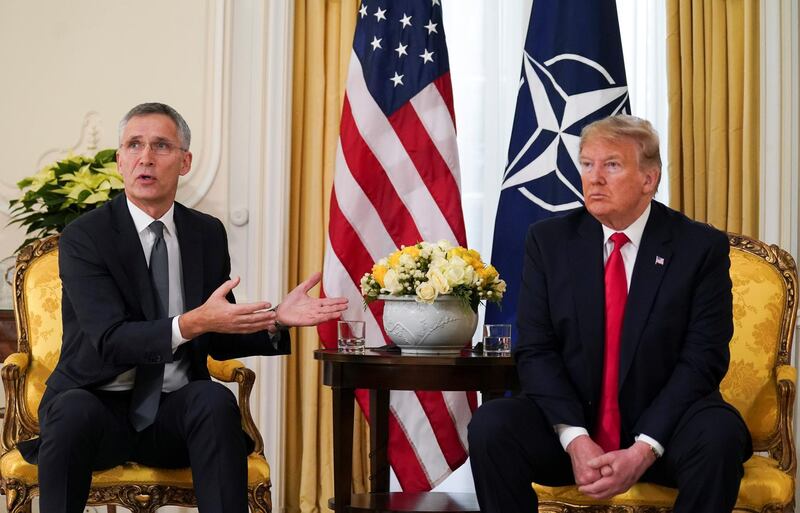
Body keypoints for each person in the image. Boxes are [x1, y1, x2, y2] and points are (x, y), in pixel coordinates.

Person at [18, 102, 349, 513]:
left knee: (214, 401)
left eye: (161, 146)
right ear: (120, 160)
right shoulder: (86, 236)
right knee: (70, 409)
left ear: (185, 161)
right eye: (134, 145)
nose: (146, 157)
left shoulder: (206, 234)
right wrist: (189, 323)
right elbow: (108, 340)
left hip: (170, 414)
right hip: (94, 409)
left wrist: (275, 317)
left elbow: (216, 335)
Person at [468, 114, 752, 513]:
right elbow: (537, 350)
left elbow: (702, 360)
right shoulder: (549, 242)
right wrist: (576, 439)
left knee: (720, 435)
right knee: (492, 426)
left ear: (649, 179)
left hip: (665, 432)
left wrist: (643, 448)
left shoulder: (698, 247)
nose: (594, 178)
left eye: (612, 165)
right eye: (587, 164)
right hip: (575, 428)